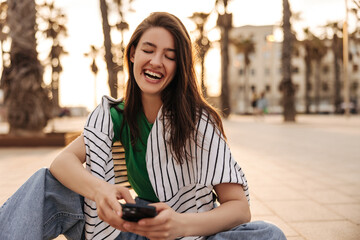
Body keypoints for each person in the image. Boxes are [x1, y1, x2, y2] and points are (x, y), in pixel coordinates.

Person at [0, 12, 286, 240]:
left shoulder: (200, 121)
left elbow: (239, 208)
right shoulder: (116, 116)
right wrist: (100, 190)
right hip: (130, 233)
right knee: (46, 183)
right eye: (148, 50)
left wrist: (180, 225)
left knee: (268, 235)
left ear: (179, 66)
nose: (156, 61)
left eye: (169, 56)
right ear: (133, 54)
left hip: (190, 232)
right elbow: (62, 163)